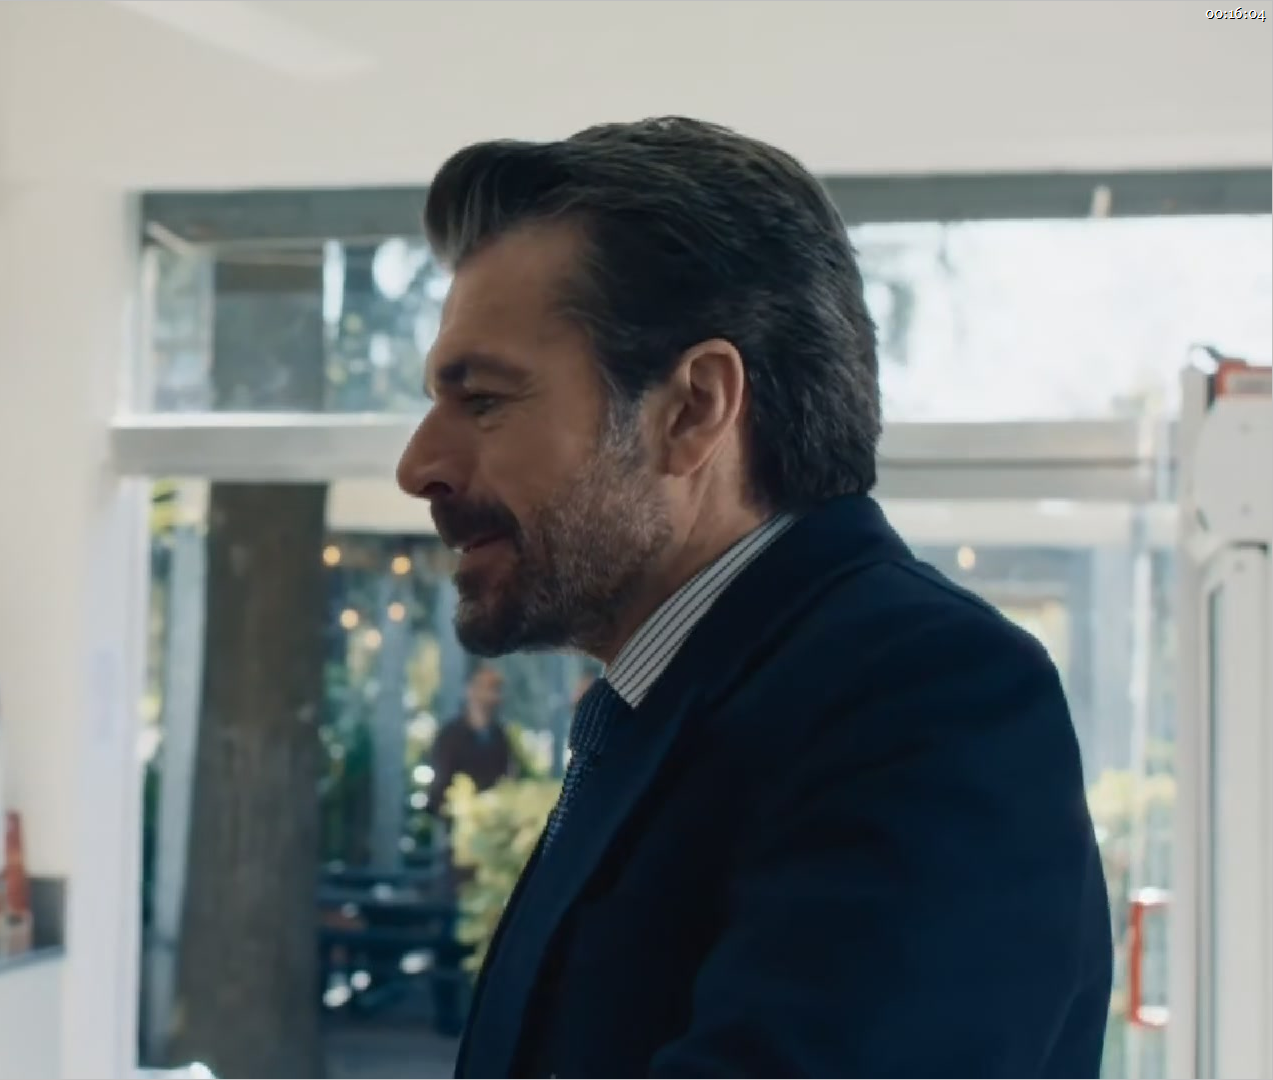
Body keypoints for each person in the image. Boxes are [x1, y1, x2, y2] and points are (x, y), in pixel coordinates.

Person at [394, 118, 1111, 1078]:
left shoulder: (929, 700)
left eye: (483, 399)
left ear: (694, 408)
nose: (419, 465)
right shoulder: (678, 702)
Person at [424, 665, 519, 815]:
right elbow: (439, 790)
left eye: (496, 689)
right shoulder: (450, 736)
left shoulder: (501, 736)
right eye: (487, 687)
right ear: (470, 690)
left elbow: (510, 779)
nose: (492, 695)